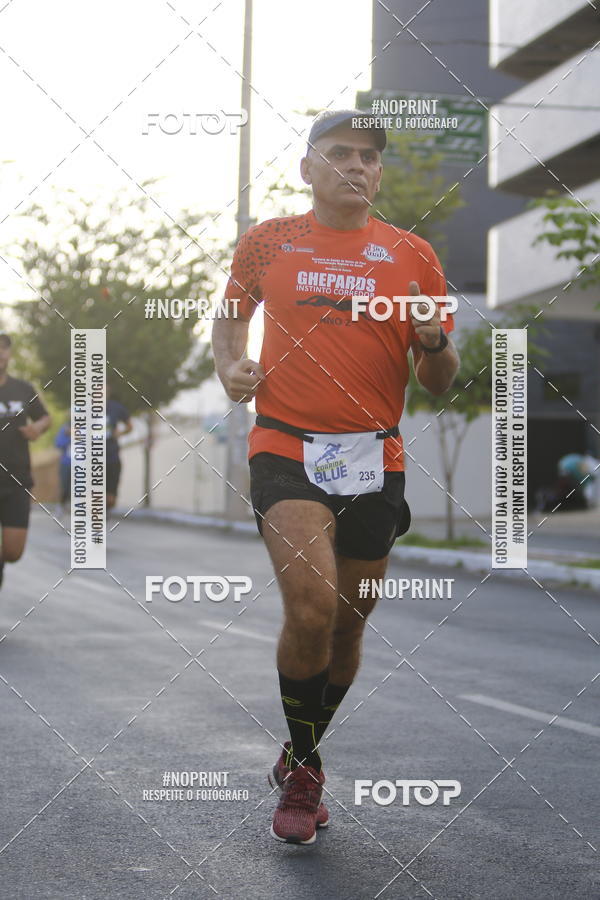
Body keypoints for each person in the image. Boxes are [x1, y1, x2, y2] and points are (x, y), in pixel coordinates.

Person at [212, 109, 460, 844]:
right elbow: (230, 316)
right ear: (308, 170)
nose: (358, 166)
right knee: (313, 608)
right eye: (342, 153)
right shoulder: (269, 241)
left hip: (373, 457)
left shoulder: (413, 255)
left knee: (348, 629)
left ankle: (299, 753)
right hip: (285, 447)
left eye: (370, 158)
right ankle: (306, 772)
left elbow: (440, 380)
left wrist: (435, 340)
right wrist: (231, 365)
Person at [0, 333, 51, 588]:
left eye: (4, 348)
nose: (0, 353)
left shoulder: (23, 389)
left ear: (8, 354)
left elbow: (45, 418)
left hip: (17, 479)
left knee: (12, 553)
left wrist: (38, 429)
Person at [105, 385, 132, 511]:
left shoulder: (116, 408)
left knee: (110, 498)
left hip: (112, 456)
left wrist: (119, 433)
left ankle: (106, 509)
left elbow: (129, 426)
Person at [54, 418, 71, 515]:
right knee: (65, 487)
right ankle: (61, 504)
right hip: (67, 463)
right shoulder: (65, 428)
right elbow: (58, 443)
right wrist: (69, 435)